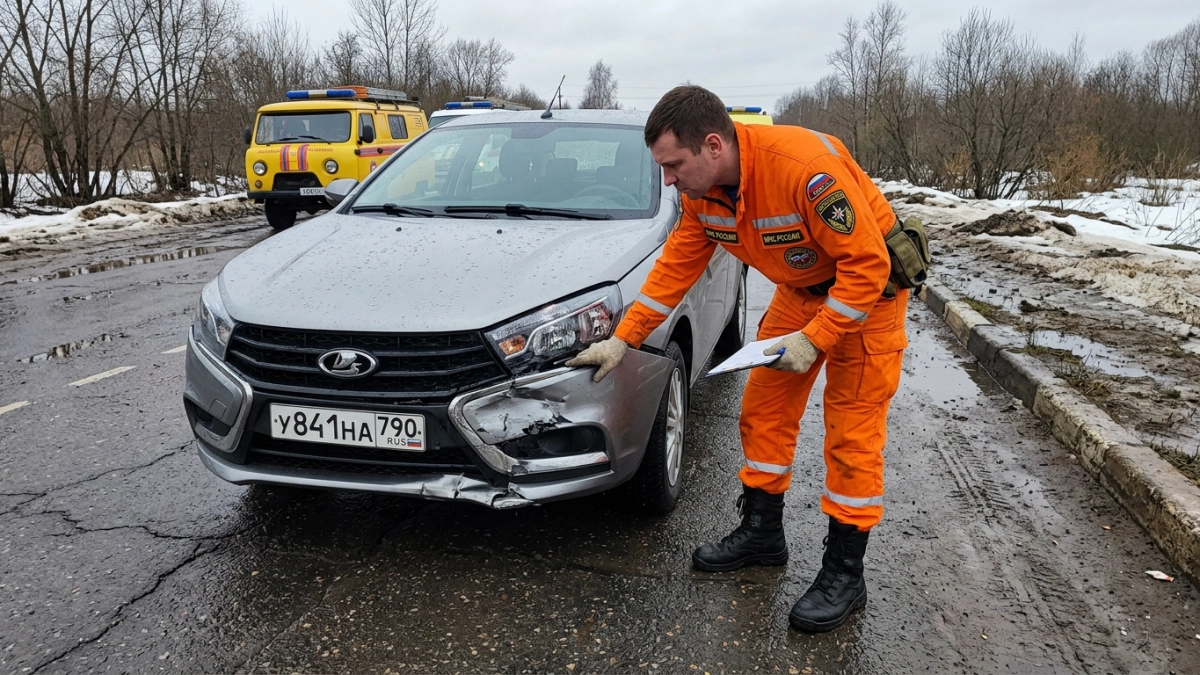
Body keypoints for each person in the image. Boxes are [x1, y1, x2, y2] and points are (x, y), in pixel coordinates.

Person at [566, 85, 909, 633]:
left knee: (852, 433)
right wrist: (623, 339)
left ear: (713, 146)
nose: (668, 180)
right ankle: (762, 534)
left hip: (868, 299)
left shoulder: (805, 171)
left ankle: (845, 573)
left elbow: (868, 266)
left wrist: (817, 338)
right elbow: (673, 271)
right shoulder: (703, 196)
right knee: (763, 411)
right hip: (800, 293)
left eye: (674, 165)